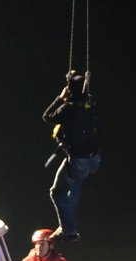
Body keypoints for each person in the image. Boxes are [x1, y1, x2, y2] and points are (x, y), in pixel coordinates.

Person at [42, 70, 100, 243]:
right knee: (74, 186)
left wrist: (60, 98)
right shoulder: (89, 102)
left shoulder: (68, 108)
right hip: (94, 159)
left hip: (79, 162)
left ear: (70, 90)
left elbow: (47, 116)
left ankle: (69, 231)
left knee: (58, 192)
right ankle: (68, 229)